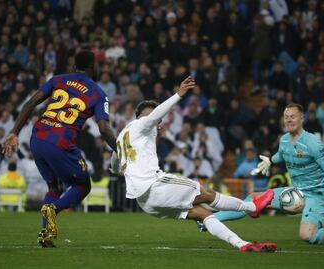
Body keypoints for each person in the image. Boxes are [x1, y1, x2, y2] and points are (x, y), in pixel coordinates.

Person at [111, 77, 276, 252]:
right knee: (205, 193)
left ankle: (242, 244)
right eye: (156, 119)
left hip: (145, 202)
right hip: (155, 186)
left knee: (201, 213)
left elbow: (115, 165)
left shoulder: (122, 137)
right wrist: (179, 94)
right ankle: (252, 207)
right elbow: (155, 115)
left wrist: (124, 171)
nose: (157, 123)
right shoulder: (142, 123)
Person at [199, 103, 324, 244]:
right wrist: (270, 161)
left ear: (302, 118)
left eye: (292, 116)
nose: (288, 120)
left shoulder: (313, 143)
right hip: (296, 192)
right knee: (253, 199)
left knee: (308, 236)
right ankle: (208, 219)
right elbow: (282, 155)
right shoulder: (284, 140)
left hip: (317, 194)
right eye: (286, 117)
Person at [2, 50, 117, 248]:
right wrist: (120, 150)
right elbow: (104, 129)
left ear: (74, 66)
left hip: (37, 138)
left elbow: (31, 103)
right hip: (61, 142)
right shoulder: (98, 93)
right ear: (93, 67)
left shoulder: (58, 79)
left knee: (53, 187)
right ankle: (54, 209)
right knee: (83, 185)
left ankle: (46, 234)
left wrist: (13, 132)